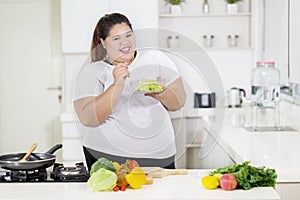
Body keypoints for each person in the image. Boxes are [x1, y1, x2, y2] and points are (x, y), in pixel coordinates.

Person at [73, 13, 186, 171]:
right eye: (116, 38)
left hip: (158, 154)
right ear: (103, 43)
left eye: (128, 35)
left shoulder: (156, 58)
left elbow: (179, 102)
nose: (125, 42)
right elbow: (88, 119)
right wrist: (117, 85)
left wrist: (161, 93)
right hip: (106, 155)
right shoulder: (92, 71)